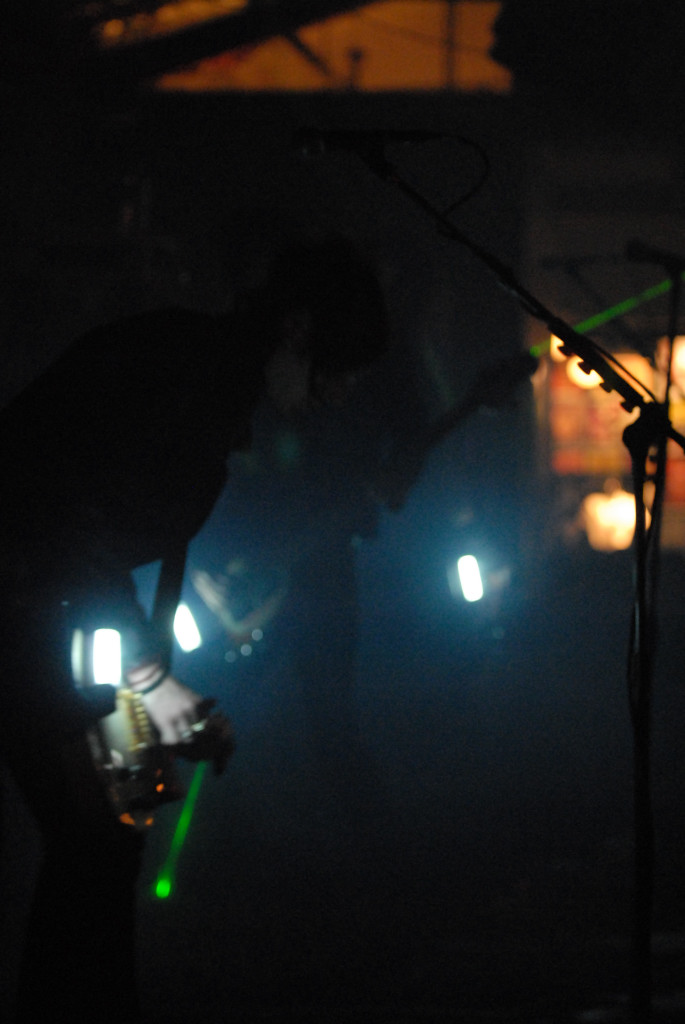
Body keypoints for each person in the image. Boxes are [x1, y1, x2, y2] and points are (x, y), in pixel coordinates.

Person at [0, 236, 388, 1023]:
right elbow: (69, 521)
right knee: (95, 842)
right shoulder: (192, 379)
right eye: (339, 368)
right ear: (297, 329)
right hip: (21, 600)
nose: (340, 393)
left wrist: (145, 683)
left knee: (102, 841)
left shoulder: (202, 372)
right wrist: (148, 681)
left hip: (39, 606)